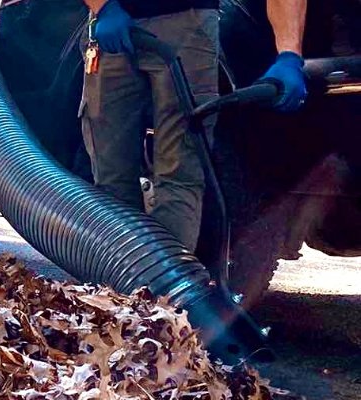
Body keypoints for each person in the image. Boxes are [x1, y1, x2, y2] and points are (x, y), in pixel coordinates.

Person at [79, 0, 308, 251]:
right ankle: (119, 267)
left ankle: (164, 272)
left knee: (180, 173)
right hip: (110, 30)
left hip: (187, 26)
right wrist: (103, 6)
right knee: (111, 178)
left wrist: (289, 55)